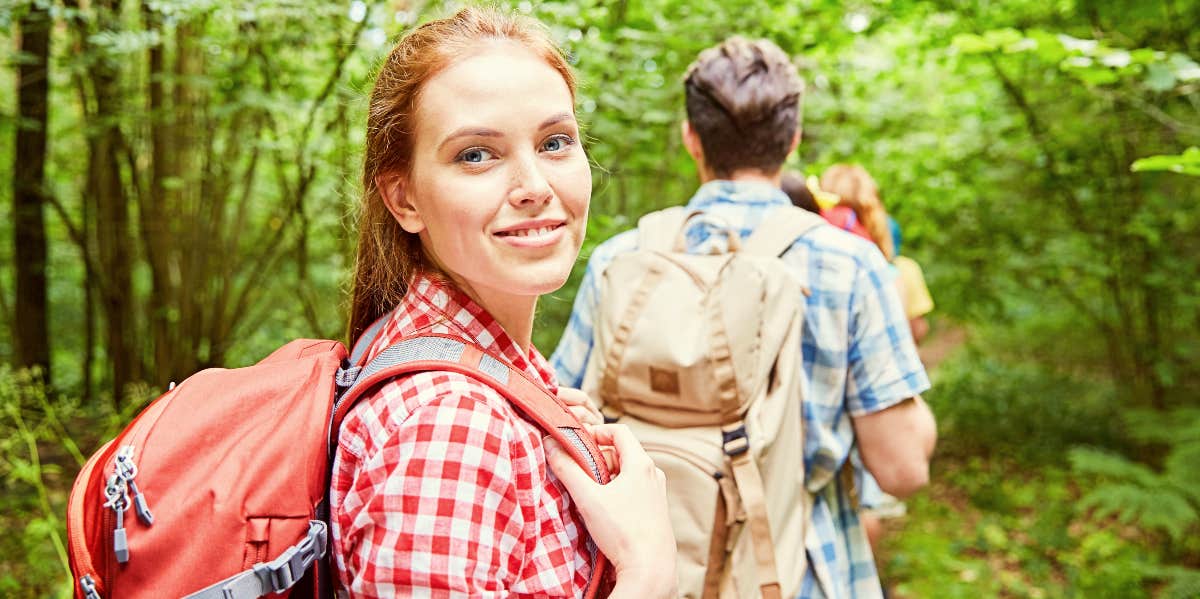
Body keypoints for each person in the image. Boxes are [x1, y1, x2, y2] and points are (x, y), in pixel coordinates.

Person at [552, 36, 937, 599]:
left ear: (691, 139)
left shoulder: (624, 259)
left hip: (643, 577)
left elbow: (563, 417)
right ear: (793, 141)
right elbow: (902, 469)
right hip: (795, 573)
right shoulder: (850, 265)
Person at [331, 8, 677, 598]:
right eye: (476, 154)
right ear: (404, 198)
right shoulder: (451, 422)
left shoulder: (488, 379)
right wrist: (648, 573)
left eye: (554, 142)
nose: (535, 186)